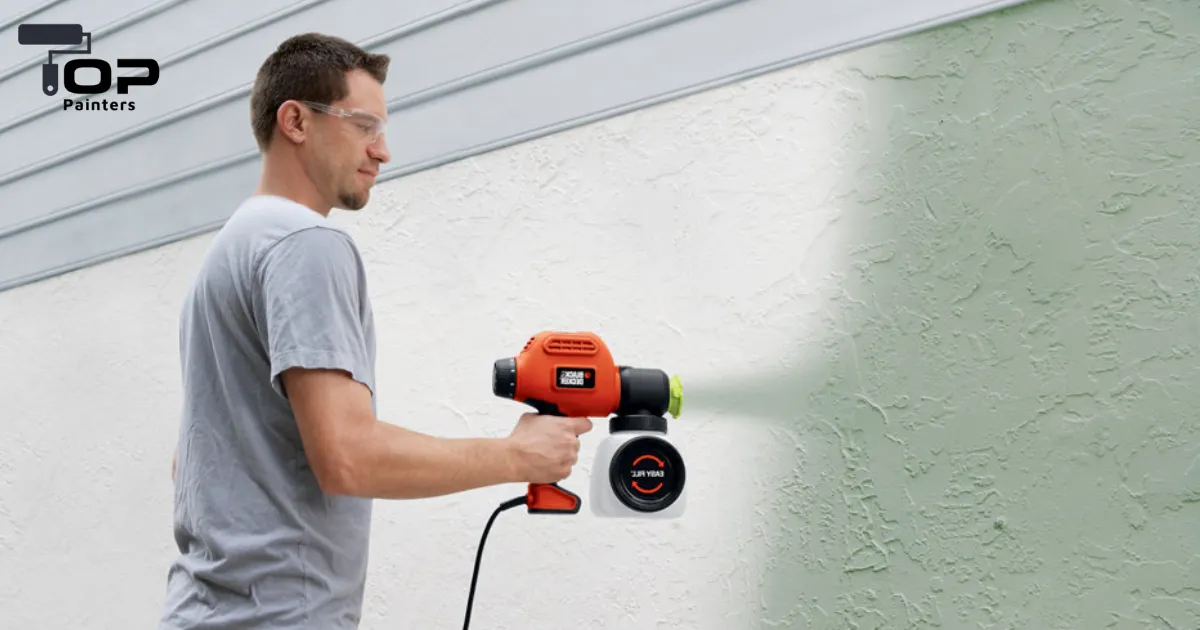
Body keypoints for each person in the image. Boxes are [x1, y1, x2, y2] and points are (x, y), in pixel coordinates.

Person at [159, 32, 592, 629]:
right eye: (363, 126)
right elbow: (347, 457)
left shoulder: (232, 249)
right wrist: (518, 456)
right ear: (296, 121)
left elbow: (191, 462)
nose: (382, 151)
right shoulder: (306, 244)